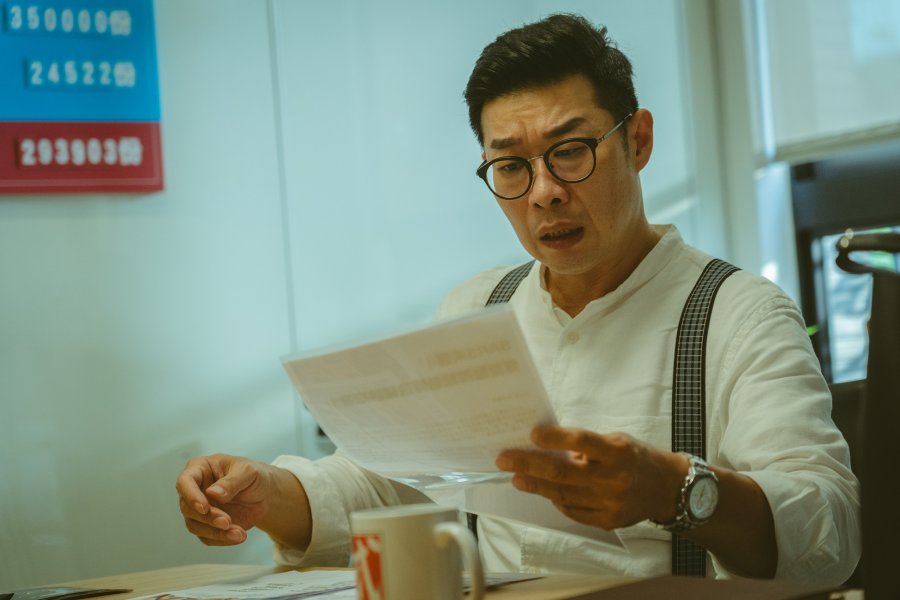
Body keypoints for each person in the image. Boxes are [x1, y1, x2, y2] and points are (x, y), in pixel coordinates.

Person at [175, 14, 860, 584]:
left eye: (571, 151)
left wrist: (678, 490)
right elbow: (394, 484)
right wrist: (266, 493)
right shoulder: (479, 306)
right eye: (511, 166)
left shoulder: (738, 314)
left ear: (638, 139)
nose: (545, 193)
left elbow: (830, 530)